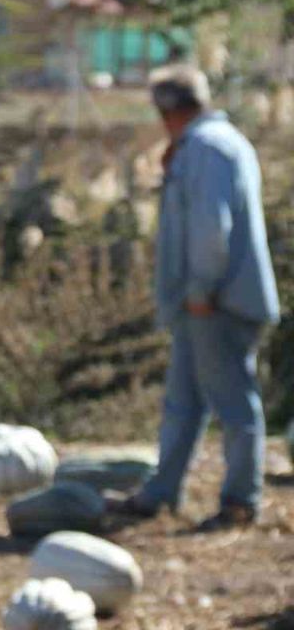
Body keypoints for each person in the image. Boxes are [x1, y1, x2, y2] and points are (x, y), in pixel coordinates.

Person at [111, 66, 280, 530]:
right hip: (200, 303)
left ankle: (241, 502)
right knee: (182, 402)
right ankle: (161, 492)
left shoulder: (208, 148)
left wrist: (202, 290)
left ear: (168, 111)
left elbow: (211, 228)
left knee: (233, 403)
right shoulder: (209, 144)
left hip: (217, 302)